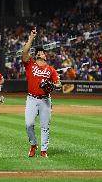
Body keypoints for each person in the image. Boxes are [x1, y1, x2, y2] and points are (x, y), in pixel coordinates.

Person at [22, 27, 61, 158]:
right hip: (31, 99)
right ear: (36, 54)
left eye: (42, 52)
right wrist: (31, 38)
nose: (40, 53)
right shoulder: (30, 64)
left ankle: (44, 150)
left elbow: (58, 84)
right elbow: (24, 51)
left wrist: (52, 85)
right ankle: (33, 144)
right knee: (28, 124)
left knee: (45, 126)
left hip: (45, 100)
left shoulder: (51, 70)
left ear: (45, 55)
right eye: (38, 51)